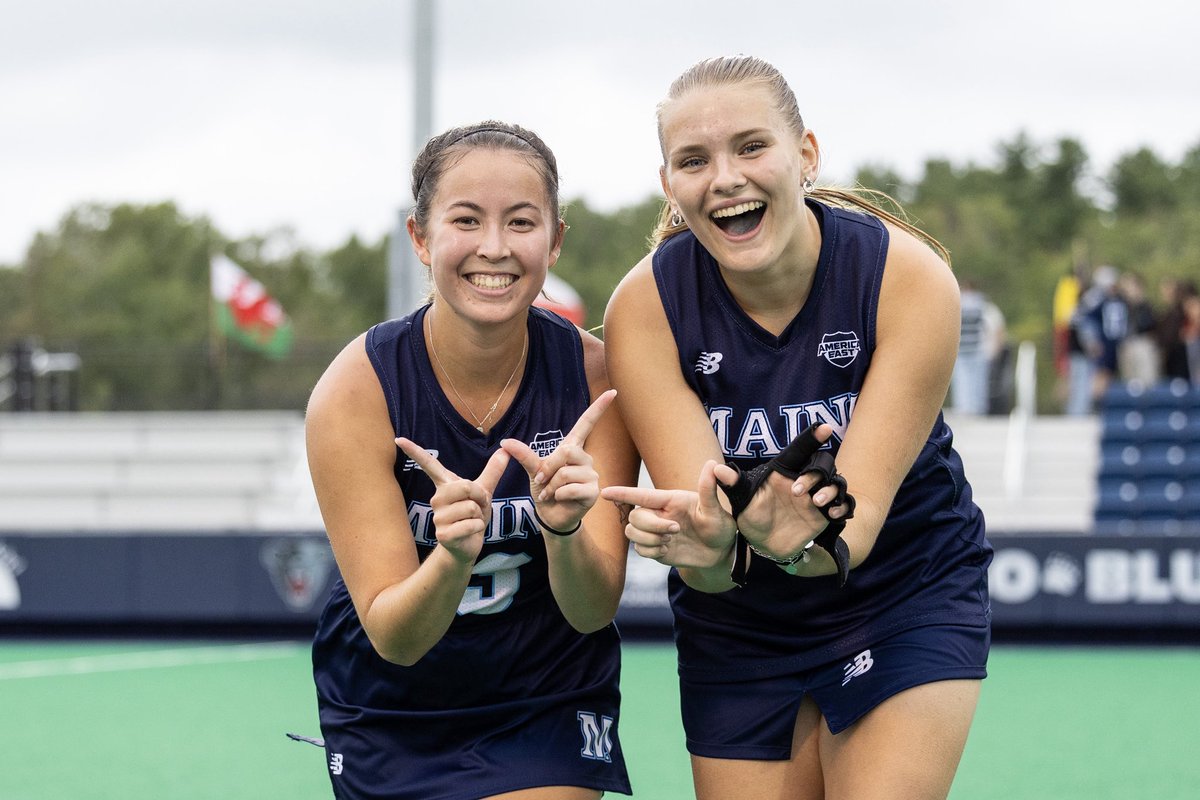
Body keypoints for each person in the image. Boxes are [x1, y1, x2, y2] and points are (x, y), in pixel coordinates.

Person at [600, 56, 992, 800]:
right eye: (693, 160)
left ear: (805, 154)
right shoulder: (645, 308)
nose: (724, 177)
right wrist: (710, 551)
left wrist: (803, 538)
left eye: (752, 146)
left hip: (898, 589)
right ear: (670, 187)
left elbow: (857, 528)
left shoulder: (907, 279)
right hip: (738, 621)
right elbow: (711, 553)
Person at [303, 121, 637, 800]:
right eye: (466, 220)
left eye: (521, 222)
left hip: (545, 699)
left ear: (556, 239)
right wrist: (453, 554)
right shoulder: (356, 392)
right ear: (421, 238)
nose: (494, 248)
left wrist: (565, 531)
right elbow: (395, 636)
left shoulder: (597, 382)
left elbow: (591, 609)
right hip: (393, 709)